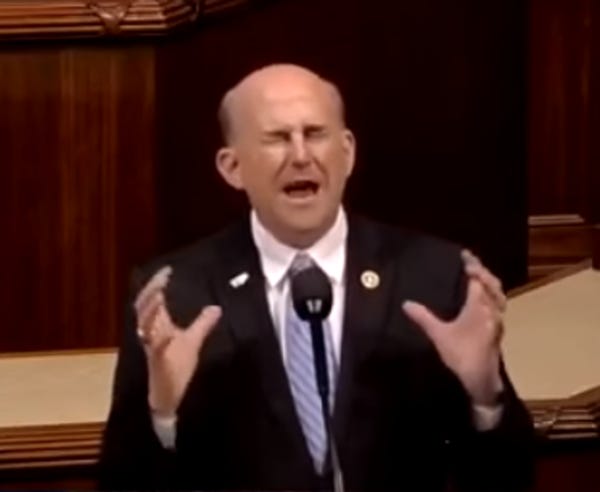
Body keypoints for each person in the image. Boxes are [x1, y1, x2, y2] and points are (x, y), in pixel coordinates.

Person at [98, 64, 535, 491]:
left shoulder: (432, 276)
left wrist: (484, 396)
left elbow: (508, 480)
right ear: (232, 167)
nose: (301, 156)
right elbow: (121, 482)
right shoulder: (178, 295)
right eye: (277, 138)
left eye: (315, 134)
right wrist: (161, 413)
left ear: (347, 152)